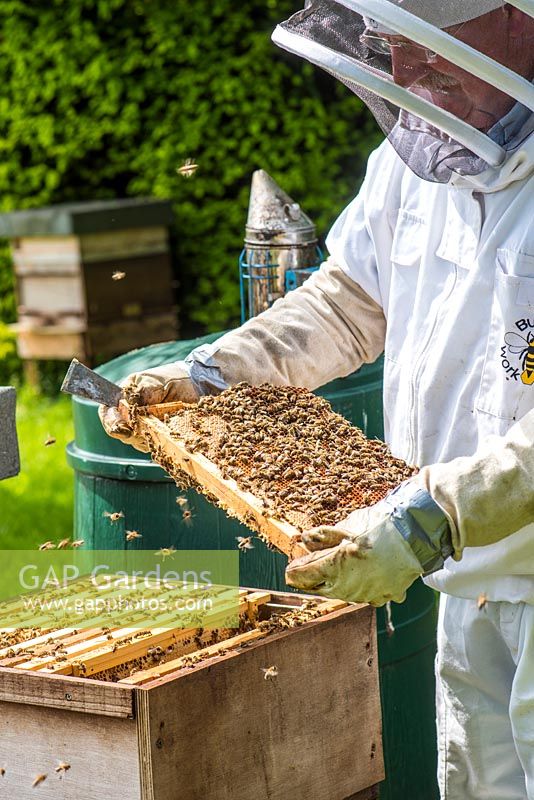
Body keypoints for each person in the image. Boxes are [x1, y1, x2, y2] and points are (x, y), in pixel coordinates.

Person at [100, 2, 534, 797]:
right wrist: (214, 374)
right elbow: (347, 302)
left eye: (423, 46)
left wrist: (432, 515)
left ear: (516, 19)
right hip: (465, 588)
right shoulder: (422, 151)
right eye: (386, 46)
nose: (402, 74)